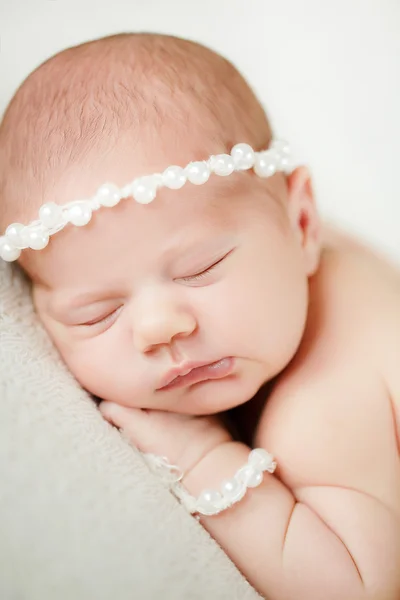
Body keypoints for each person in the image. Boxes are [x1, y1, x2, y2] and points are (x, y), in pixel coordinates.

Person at [0, 32, 399, 600]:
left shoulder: (322, 401)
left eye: (199, 268)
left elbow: (355, 587)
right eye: (99, 313)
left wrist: (202, 456)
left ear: (302, 223)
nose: (161, 328)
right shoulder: (290, 258)